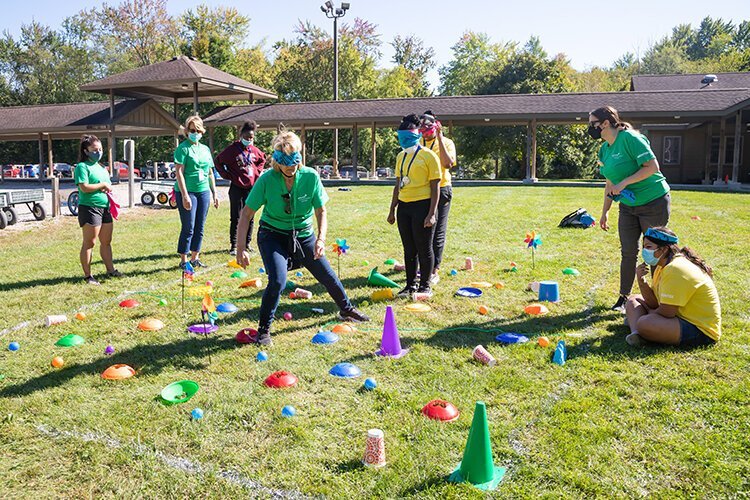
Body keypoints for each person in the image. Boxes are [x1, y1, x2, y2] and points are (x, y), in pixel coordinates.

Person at [235, 129, 369, 345]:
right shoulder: (267, 179)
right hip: (272, 235)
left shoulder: (310, 176)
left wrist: (321, 239)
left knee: (327, 275)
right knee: (278, 280)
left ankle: (346, 309)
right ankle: (263, 330)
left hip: (304, 235)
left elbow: (321, 211)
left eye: (295, 162)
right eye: (286, 164)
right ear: (276, 161)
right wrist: (241, 247)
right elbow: (247, 214)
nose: (291, 168)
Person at [589, 106, 671, 312]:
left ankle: (660, 300)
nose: (589, 127)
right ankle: (623, 298)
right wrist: (605, 211)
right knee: (628, 252)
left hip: (653, 201)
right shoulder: (604, 149)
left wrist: (624, 183)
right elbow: (610, 182)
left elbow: (653, 167)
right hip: (628, 206)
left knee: (654, 252)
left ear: (605, 123)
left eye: (592, 123)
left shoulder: (631, 139)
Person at [624, 227, 721, 348]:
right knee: (633, 300)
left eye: (648, 247)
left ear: (664, 249)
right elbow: (654, 303)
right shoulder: (662, 265)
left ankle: (641, 328)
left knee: (644, 322)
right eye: (644, 246)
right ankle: (637, 334)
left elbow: (667, 312)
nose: (644, 251)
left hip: (700, 330)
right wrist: (641, 280)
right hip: (678, 318)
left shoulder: (675, 268)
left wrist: (647, 315)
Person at [387, 114, 441, 298]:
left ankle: (425, 285)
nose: (403, 141)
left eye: (406, 137)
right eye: (401, 138)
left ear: (416, 135)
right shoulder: (400, 156)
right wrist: (392, 209)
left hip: (423, 206)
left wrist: (432, 213)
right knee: (408, 248)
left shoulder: (429, 156)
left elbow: (436, 187)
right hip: (404, 206)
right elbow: (398, 184)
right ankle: (410, 285)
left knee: (424, 247)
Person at [74, 134, 121, 285]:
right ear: (86, 151)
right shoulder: (82, 167)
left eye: (100, 149)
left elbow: (107, 186)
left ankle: (110, 270)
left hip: (105, 208)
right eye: (94, 149)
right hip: (89, 208)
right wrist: (102, 186)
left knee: (106, 241)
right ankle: (88, 276)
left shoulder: (101, 168)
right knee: (90, 242)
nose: (98, 152)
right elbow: (84, 187)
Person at [174, 115, 219, 269]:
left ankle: (195, 258)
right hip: (188, 191)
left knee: (200, 226)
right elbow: (179, 172)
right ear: (187, 131)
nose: (195, 133)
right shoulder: (183, 148)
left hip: (203, 191)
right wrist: (185, 195)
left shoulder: (205, 149)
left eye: (198, 130)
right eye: (192, 130)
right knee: (189, 226)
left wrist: (215, 193)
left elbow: (210, 173)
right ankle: (184, 259)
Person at [214, 120, 265, 255]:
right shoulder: (232, 150)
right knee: (236, 217)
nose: (249, 140)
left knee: (250, 216)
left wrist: (257, 173)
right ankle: (234, 245)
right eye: (247, 137)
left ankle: (247, 243)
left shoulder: (254, 151)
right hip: (236, 187)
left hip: (251, 188)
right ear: (241, 135)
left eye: (252, 138)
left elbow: (262, 160)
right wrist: (226, 175)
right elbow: (218, 161)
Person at [419, 110, 456, 285]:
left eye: (429, 127)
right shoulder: (418, 143)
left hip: (442, 189)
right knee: (424, 230)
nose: (425, 131)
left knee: (437, 231)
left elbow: (448, 164)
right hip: (423, 190)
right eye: (422, 128)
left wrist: (440, 138)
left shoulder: (447, 142)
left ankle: (434, 270)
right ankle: (424, 265)